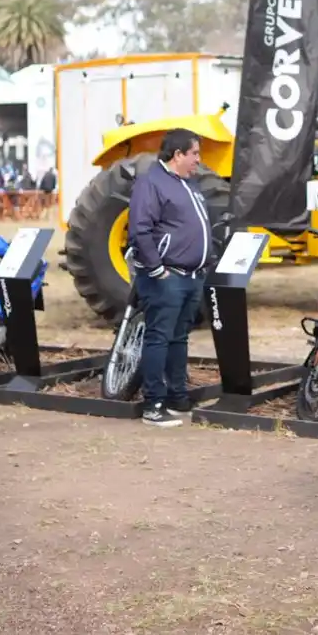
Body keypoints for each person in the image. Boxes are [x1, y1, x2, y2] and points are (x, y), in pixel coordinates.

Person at [127, 128, 213, 428]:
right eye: (194, 154)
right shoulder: (151, 183)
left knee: (179, 338)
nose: (198, 160)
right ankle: (154, 405)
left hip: (191, 277)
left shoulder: (187, 184)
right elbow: (140, 229)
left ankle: (177, 397)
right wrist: (156, 269)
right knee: (159, 337)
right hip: (166, 277)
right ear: (178, 155)